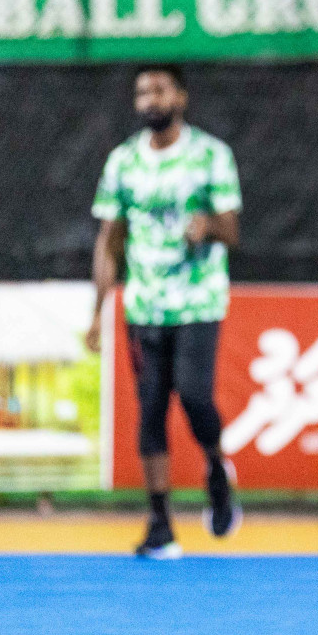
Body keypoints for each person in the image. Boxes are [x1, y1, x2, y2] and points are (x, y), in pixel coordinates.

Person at [87, 64, 244, 561]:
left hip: (197, 299)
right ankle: (160, 523)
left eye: (158, 90)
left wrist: (209, 226)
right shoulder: (123, 162)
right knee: (150, 408)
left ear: (180, 96)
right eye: (141, 92)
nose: (149, 99)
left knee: (196, 395)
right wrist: (97, 311)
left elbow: (232, 231)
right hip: (145, 303)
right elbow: (110, 241)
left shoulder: (210, 155)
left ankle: (217, 470)